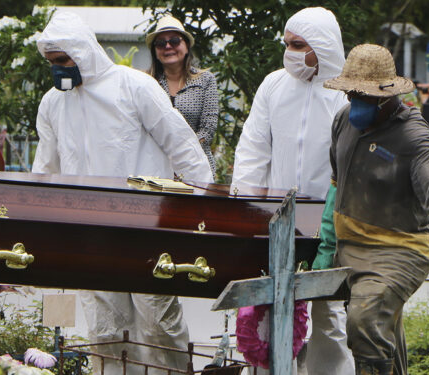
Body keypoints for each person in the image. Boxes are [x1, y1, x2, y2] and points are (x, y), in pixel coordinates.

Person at [32, 11, 212, 374]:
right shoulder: (53, 103)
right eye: (51, 63)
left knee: (159, 323)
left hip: (146, 228)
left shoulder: (135, 87)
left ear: (83, 51)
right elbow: (45, 169)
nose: (58, 70)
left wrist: (206, 209)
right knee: (105, 331)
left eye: (63, 61)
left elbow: (183, 145)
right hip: (88, 233)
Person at [318, 43, 429, 374]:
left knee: (365, 316)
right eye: (350, 94)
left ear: (385, 96)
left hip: (398, 249)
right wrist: (325, 245)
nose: (353, 102)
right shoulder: (344, 123)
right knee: (383, 326)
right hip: (351, 245)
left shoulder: (413, 136)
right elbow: (337, 185)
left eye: (362, 96)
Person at [232, 7, 355, 375]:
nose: (290, 53)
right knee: (268, 315)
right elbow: (253, 150)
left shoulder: (346, 94)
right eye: (287, 44)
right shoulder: (274, 85)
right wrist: (247, 210)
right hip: (275, 222)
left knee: (327, 315)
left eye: (298, 45)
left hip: (328, 225)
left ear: (322, 46)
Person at [146, 15, 219, 176]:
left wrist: (182, 151)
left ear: (186, 46)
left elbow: (208, 129)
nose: (167, 46)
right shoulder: (146, 83)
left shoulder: (206, 80)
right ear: (155, 52)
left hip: (197, 168)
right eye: (160, 43)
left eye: (174, 41)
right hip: (156, 170)